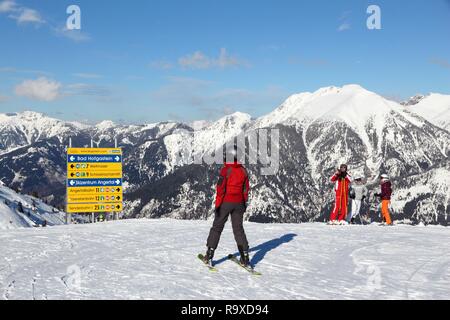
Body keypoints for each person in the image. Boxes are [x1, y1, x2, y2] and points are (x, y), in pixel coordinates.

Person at [202, 146, 251, 267]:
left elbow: (220, 189)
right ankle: (245, 257)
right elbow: (246, 190)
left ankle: (209, 255)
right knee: (238, 230)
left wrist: (218, 205)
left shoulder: (226, 170)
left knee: (217, 228)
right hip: (239, 203)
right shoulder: (243, 171)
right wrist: (244, 204)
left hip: (226, 203)